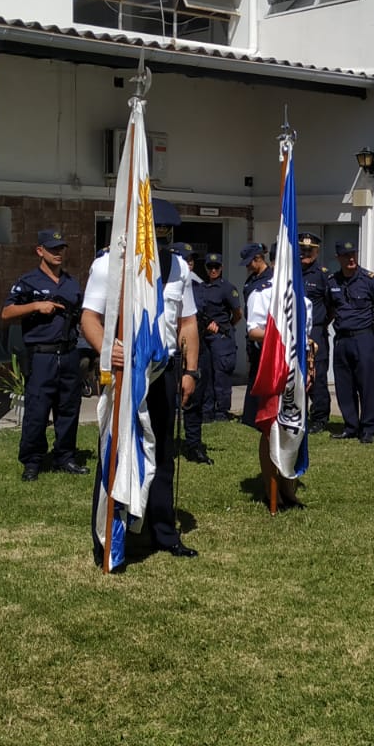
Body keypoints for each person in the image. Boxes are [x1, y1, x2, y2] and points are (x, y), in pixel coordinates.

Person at [82, 198, 200, 559]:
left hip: (163, 373)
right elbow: (89, 318)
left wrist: (191, 371)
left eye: (166, 239)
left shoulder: (179, 267)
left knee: (161, 453)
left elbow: (188, 322)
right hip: (125, 372)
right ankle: (110, 532)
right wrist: (107, 349)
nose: (160, 246)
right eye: (155, 237)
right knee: (116, 450)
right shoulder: (109, 265)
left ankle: (163, 532)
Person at [1, 228, 86, 482]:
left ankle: (65, 457)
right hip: (41, 356)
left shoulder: (71, 283)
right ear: (40, 251)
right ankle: (32, 461)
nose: (58, 253)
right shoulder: (28, 282)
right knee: (37, 411)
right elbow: (6, 312)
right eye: (52, 249)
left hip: (69, 353)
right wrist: (37, 306)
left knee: (69, 409)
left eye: (61, 249)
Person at [243, 261, 315, 507]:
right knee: (270, 429)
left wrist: (309, 348)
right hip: (272, 369)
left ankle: (288, 487)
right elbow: (253, 330)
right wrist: (281, 334)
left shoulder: (303, 299)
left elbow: (305, 336)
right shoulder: (262, 293)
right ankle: (270, 488)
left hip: (296, 372)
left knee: (294, 426)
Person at [327, 239, 374, 443]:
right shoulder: (333, 281)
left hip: (363, 337)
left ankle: (368, 428)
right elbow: (330, 309)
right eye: (346, 256)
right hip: (342, 339)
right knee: (344, 385)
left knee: (367, 384)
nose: (351, 258)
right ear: (338, 258)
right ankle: (350, 426)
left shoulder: (370, 280)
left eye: (353, 254)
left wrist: (373, 326)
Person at [169, 242, 210, 464]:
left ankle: (194, 446)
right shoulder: (167, 283)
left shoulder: (201, 287)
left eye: (192, 259)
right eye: (185, 259)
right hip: (172, 351)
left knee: (194, 401)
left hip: (195, 350)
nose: (190, 263)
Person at [193, 251, 242, 425]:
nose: (213, 270)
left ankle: (221, 411)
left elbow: (237, 314)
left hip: (222, 337)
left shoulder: (227, 288)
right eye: (210, 267)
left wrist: (226, 326)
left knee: (221, 375)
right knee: (206, 375)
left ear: (221, 268)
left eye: (216, 267)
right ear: (206, 269)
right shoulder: (201, 288)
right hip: (206, 337)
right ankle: (207, 410)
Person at [299, 232, 334, 434]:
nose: (305, 253)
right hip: (295, 331)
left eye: (309, 250)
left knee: (317, 375)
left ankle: (320, 417)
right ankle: (299, 413)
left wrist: (320, 324)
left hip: (316, 332)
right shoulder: (291, 272)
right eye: (302, 250)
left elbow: (332, 307)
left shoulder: (323, 275)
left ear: (317, 252)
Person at [239, 242, 271, 422]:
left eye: (250, 262)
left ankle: (263, 412)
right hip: (253, 336)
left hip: (267, 337)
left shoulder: (272, 279)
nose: (248, 267)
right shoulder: (251, 280)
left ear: (258, 259)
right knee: (255, 376)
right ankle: (251, 414)